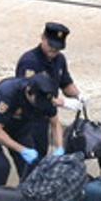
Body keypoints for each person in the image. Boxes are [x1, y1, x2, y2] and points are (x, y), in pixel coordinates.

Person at [0, 73, 62, 188]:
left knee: (32, 167)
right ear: (29, 91)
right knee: (0, 166)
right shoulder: (8, 93)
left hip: (19, 129)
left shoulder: (45, 97)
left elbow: (55, 123)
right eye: (37, 101)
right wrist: (22, 150)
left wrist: (60, 148)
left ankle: (24, 198)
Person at [15, 22, 84, 157]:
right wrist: (62, 103)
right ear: (43, 38)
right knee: (30, 163)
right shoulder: (30, 62)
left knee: (41, 155)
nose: (54, 51)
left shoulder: (59, 60)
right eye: (51, 46)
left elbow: (65, 83)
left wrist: (79, 95)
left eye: (57, 48)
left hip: (45, 118)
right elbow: (31, 95)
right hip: (28, 120)